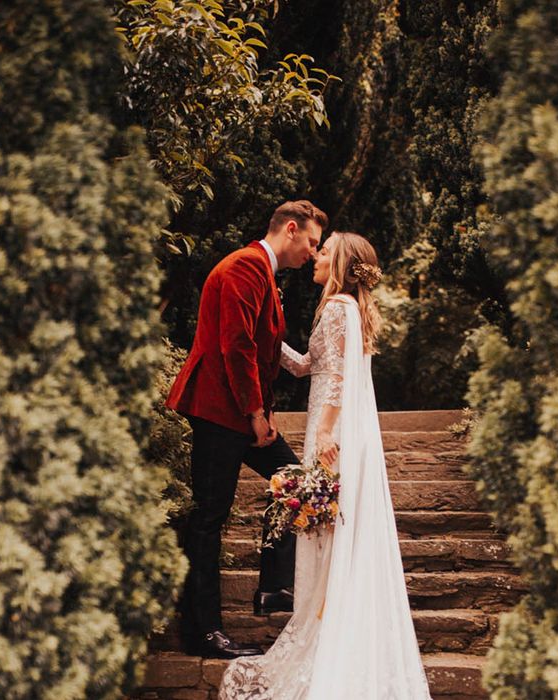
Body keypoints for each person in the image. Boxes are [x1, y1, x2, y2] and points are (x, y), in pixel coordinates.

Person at [218, 232, 431, 698]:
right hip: (331, 427)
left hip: (330, 431)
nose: (316, 255)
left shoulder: (337, 308)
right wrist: (265, 336)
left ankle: (328, 631)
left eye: (325, 249)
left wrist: (326, 434)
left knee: (327, 529)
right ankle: (328, 619)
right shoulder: (343, 309)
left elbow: (333, 379)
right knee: (328, 531)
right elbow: (306, 365)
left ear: (342, 261)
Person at [165, 200, 328, 659]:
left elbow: (262, 348)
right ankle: (203, 631)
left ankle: (274, 586)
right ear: (291, 229)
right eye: (311, 243)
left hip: (241, 413)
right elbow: (236, 347)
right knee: (209, 518)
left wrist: (265, 413)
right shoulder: (245, 267)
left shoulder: (263, 273)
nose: (313, 254)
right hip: (220, 410)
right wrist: (254, 411)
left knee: (297, 483)